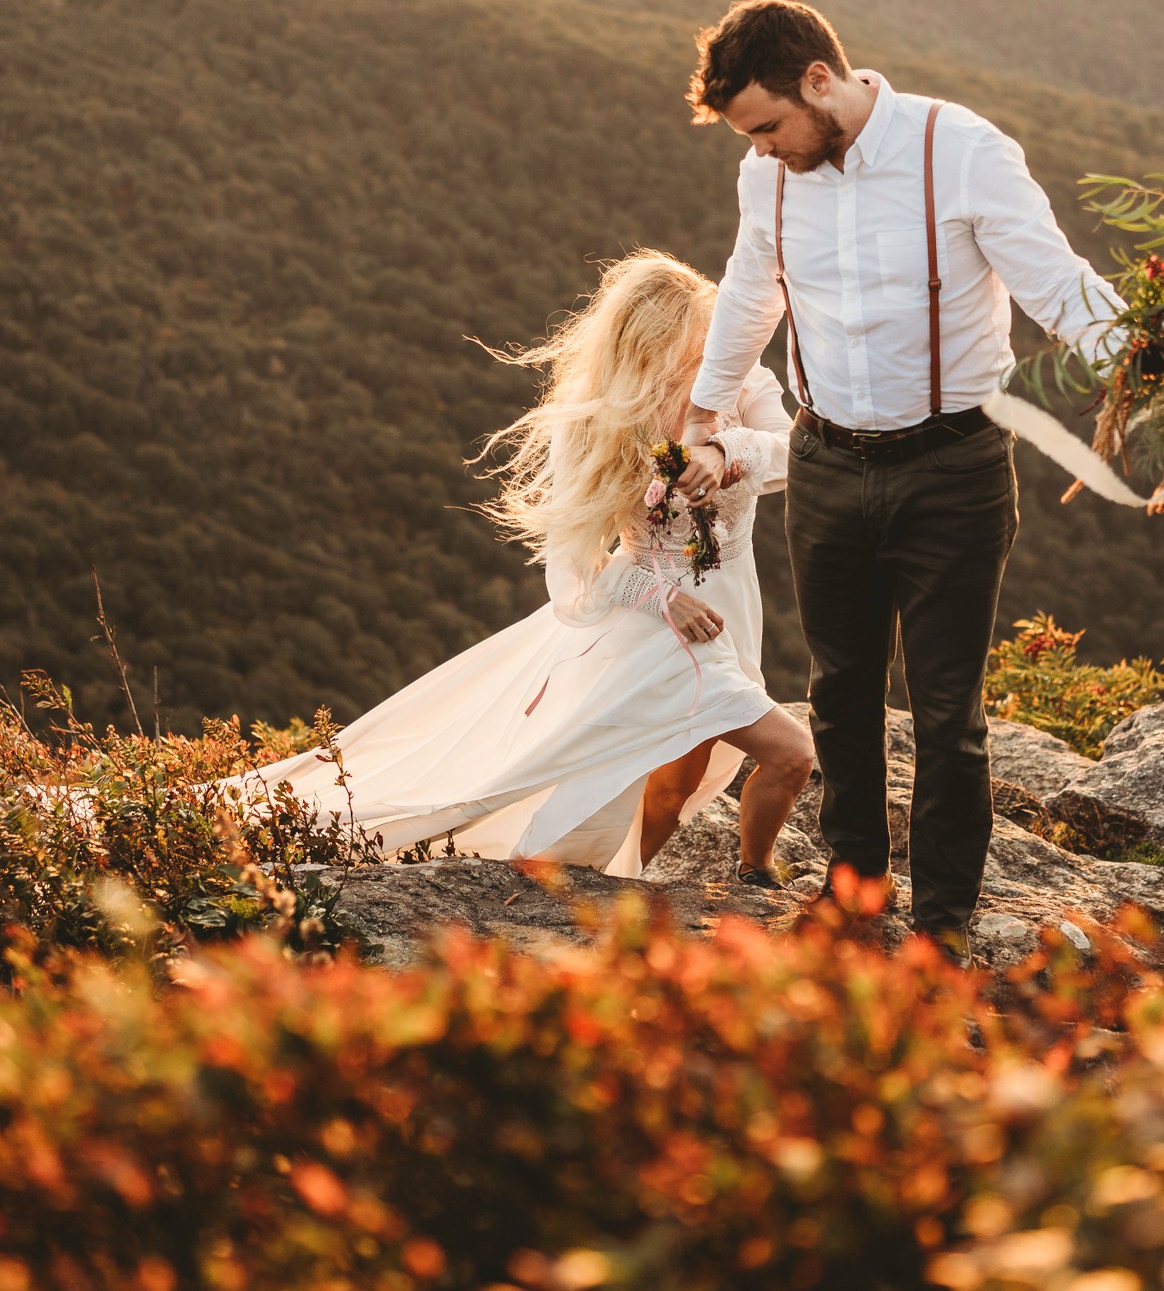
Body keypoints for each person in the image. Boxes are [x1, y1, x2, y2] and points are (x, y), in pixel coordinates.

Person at [674, 0, 1123, 954]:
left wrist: (1157, 352)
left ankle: (945, 922)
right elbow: (754, 292)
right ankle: (854, 894)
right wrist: (706, 413)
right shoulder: (771, 179)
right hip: (827, 458)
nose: (760, 152)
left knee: (949, 708)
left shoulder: (959, 149)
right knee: (839, 693)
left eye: (767, 127)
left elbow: (1054, 281)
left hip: (954, 465)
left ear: (820, 81)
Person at [241, 251, 815, 881]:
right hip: (657, 627)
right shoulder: (597, 422)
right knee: (788, 754)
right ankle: (753, 877)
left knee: (676, 784)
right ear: (654, 344)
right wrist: (662, 598)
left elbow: (797, 454)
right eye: (696, 338)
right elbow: (571, 576)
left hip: (732, 609)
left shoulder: (736, 380)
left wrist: (726, 451)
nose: (710, 350)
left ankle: (633, 883)